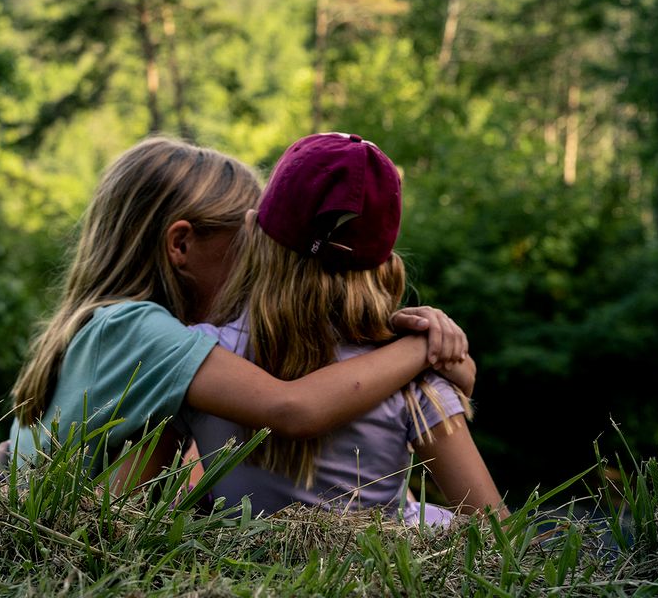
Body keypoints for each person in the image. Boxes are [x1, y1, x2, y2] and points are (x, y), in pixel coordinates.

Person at [6, 137, 472, 481]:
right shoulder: (142, 329)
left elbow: (178, 468)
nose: (259, 267)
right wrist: (417, 350)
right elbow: (293, 408)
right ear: (182, 244)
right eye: (248, 246)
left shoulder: (109, 325)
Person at [182, 132, 505, 524]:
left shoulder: (202, 355)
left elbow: (176, 488)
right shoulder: (413, 381)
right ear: (386, 268)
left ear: (252, 232)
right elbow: (492, 529)